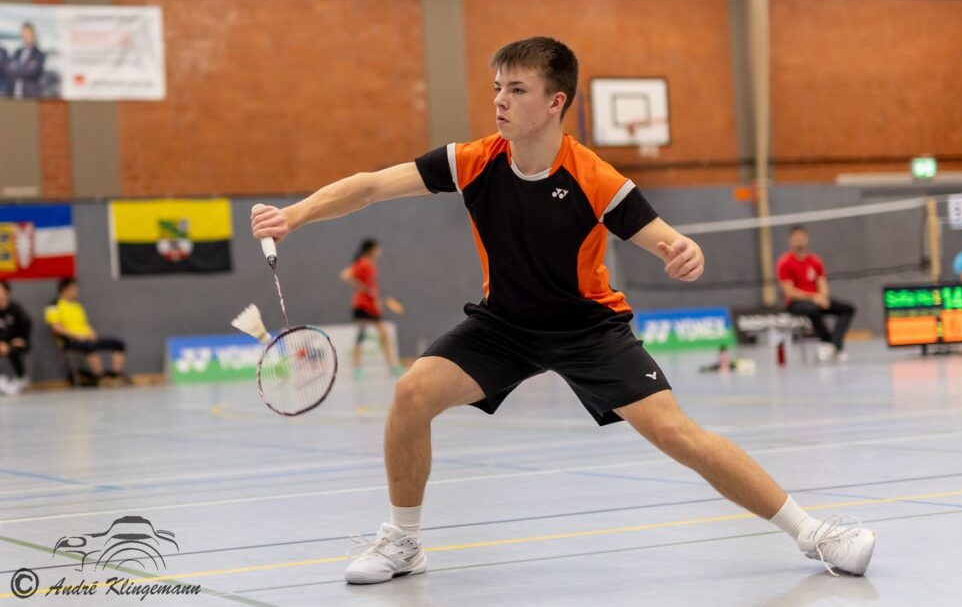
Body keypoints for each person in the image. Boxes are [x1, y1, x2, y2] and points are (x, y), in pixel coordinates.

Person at [251, 37, 875, 585]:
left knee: (676, 434)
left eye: (516, 90)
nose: (500, 101)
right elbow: (369, 185)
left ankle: (816, 533)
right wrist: (294, 215)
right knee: (412, 393)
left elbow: (663, 238)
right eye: (497, 88)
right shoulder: (472, 161)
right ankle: (404, 543)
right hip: (504, 325)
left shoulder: (593, 176)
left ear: (555, 102)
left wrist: (684, 250)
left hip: (587, 328)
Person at [776, 226, 857, 362]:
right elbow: (789, 291)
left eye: (801, 237)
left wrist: (823, 297)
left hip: (817, 299)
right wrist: (814, 297)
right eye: (795, 238)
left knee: (848, 309)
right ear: (790, 240)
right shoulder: (784, 262)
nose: (798, 241)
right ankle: (831, 344)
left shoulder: (815, 261)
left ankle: (833, 345)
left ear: (806, 239)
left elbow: (822, 283)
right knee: (812, 309)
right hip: (796, 303)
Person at [44, 278, 129, 385]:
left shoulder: (77, 305)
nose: (76, 291)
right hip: (70, 341)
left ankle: (116, 376)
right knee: (90, 347)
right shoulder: (53, 306)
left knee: (118, 344)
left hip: (86, 338)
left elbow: (84, 324)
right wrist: (77, 336)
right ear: (65, 289)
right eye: (74, 288)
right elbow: (56, 328)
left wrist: (92, 333)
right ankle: (101, 378)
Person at [341, 238, 404, 378]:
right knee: (361, 336)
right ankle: (357, 368)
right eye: (377, 248)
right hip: (361, 305)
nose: (379, 251)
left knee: (383, 334)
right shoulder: (363, 263)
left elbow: (372, 287)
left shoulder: (370, 264)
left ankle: (392, 366)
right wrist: (361, 288)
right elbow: (346, 275)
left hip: (371, 306)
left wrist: (375, 299)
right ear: (371, 249)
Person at [0, 280, 32, 395]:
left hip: (16, 342)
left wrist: (22, 339)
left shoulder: (15, 309)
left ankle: (21, 378)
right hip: (2, 343)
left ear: (6, 292)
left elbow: (26, 324)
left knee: (14, 350)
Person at [8, 22, 46, 99]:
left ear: (33, 35)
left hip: (31, 95)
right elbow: (9, 69)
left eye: (28, 34)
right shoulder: (17, 52)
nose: (26, 37)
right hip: (15, 93)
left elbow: (32, 72)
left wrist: (18, 67)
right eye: (24, 34)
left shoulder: (39, 54)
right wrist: (24, 67)